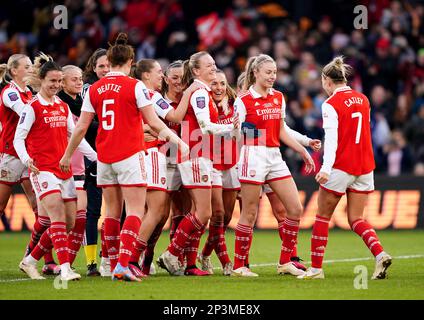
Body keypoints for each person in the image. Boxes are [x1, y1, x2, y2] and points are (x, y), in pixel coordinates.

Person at [60, 33, 188, 282]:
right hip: (129, 154)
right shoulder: (135, 86)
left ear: (110, 60)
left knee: (111, 212)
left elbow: (81, 127)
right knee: (135, 211)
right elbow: (153, 122)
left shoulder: (95, 89)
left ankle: (109, 262)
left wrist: (67, 154)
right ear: (130, 62)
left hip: (104, 156)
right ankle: (123, 264)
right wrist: (179, 141)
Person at [298, 56, 392, 280]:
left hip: (341, 166)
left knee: (322, 217)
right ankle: (380, 255)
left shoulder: (330, 104)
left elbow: (332, 139)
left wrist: (326, 168)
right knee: (357, 219)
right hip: (365, 166)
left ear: (326, 80)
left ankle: (316, 269)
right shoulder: (363, 99)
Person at [15, 53, 96, 281]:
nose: (56, 85)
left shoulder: (61, 106)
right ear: (42, 80)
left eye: (59, 81)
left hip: (64, 170)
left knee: (70, 222)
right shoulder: (32, 106)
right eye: (53, 81)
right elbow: (18, 139)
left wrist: (97, 157)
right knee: (58, 217)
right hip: (42, 169)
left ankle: (29, 261)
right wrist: (25, 159)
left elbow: (75, 136)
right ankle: (66, 269)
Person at [232, 54, 315, 277]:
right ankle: (239, 266)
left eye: (275, 72)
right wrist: (255, 141)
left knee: (295, 209)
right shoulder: (243, 101)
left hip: (274, 156)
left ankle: (285, 262)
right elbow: (238, 135)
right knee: (249, 213)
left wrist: (303, 150)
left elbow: (281, 131)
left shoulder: (279, 97)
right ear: (256, 73)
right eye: (268, 72)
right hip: (252, 155)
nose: (272, 76)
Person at [158, 51, 239, 276]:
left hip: (203, 156)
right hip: (195, 154)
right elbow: (205, 126)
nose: (214, 67)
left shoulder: (203, 92)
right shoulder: (199, 94)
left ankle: (184, 260)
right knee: (202, 212)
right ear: (195, 71)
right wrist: (232, 129)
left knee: (205, 211)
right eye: (209, 65)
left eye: (214, 64)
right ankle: (172, 253)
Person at [127, 58, 198, 278]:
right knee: (156, 212)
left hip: (144, 155)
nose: (161, 76)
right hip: (154, 155)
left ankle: (132, 260)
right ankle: (130, 259)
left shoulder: (134, 93)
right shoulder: (152, 96)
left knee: (149, 212)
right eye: (160, 72)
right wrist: (191, 92)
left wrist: (144, 128)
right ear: (148, 75)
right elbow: (174, 117)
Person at [0, 54, 59, 275]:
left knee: (40, 210)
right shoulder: (11, 92)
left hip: (30, 156)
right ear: (14, 71)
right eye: (26, 67)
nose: (30, 69)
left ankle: (44, 260)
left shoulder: (28, 93)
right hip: (11, 156)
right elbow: (26, 112)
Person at [197, 70, 239, 275]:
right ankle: (225, 261)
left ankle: (204, 254)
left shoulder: (234, 105)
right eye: (214, 84)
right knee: (218, 214)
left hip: (231, 163)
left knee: (228, 216)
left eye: (222, 84)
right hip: (210, 162)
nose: (219, 88)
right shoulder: (203, 105)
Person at [58, 65, 95, 272]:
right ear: (62, 82)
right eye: (74, 79)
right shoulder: (60, 105)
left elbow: (84, 134)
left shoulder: (82, 102)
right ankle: (35, 258)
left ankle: (67, 265)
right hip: (59, 167)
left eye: (80, 78)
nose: (79, 82)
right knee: (51, 220)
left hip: (79, 166)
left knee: (78, 219)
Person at [81, 48, 110, 276]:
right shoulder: (88, 89)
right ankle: (91, 262)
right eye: (101, 66)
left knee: (118, 209)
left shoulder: (118, 87)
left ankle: (109, 255)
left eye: (109, 65)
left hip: (115, 154)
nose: (105, 70)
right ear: (93, 67)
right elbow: (86, 124)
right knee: (93, 211)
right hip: (94, 157)